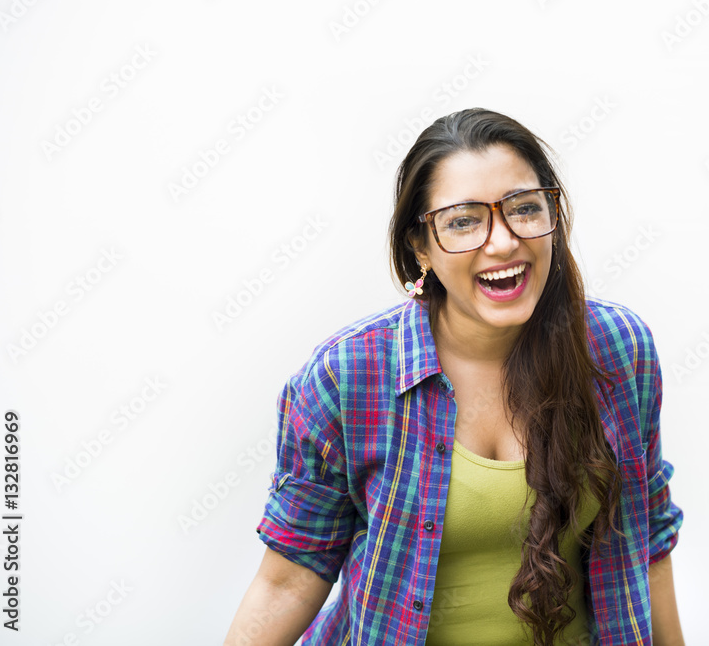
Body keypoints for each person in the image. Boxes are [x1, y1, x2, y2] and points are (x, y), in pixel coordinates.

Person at [224, 108, 685, 646]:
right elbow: (286, 581)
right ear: (420, 246)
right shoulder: (348, 377)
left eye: (524, 209)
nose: (502, 242)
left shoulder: (619, 352)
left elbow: (647, 546)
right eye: (464, 220)